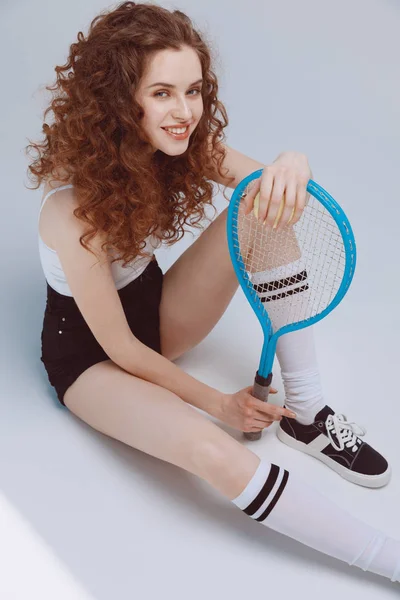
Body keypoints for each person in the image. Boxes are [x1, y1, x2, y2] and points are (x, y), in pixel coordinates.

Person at [25, 1, 399, 584]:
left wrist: (292, 161)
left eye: (193, 91)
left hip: (158, 317)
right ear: (121, 100)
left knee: (262, 207)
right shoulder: (69, 211)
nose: (184, 113)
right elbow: (122, 350)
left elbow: (270, 187)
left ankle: (306, 412)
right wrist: (218, 404)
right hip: (96, 359)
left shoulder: (180, 144)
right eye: (162, 94)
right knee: (213, 453)